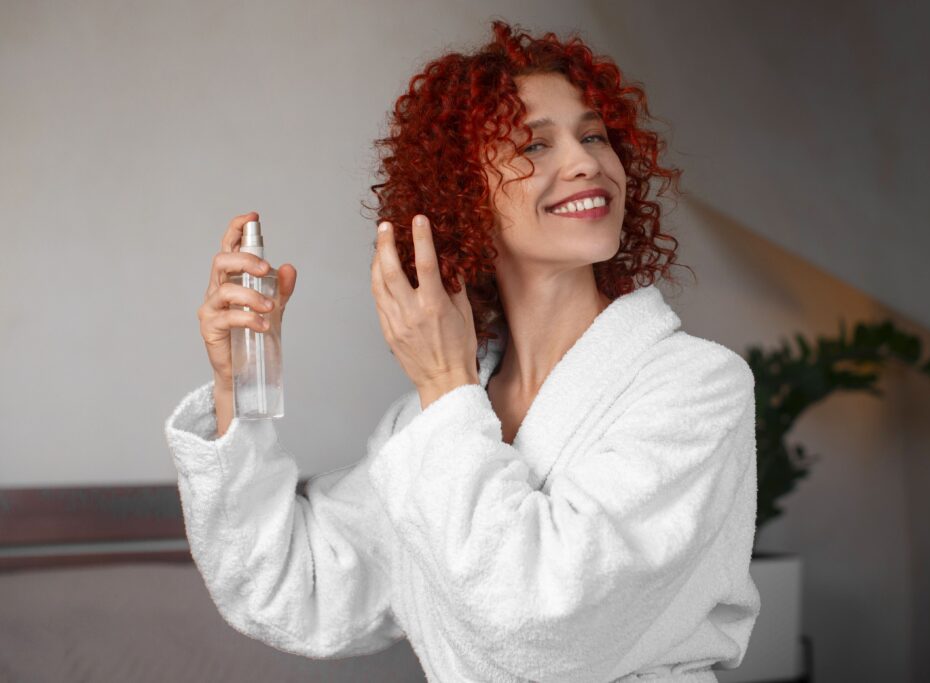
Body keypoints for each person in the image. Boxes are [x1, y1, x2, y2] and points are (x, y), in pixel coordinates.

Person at [166, 20, 760, 683]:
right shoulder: (428, 425)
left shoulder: (698, 387)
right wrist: (236, 388)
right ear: (463, 199)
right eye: (534, 144)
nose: (586, 160)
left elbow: (547, 623)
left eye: (594, 135)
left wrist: (447, 383)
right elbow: (294, 586)